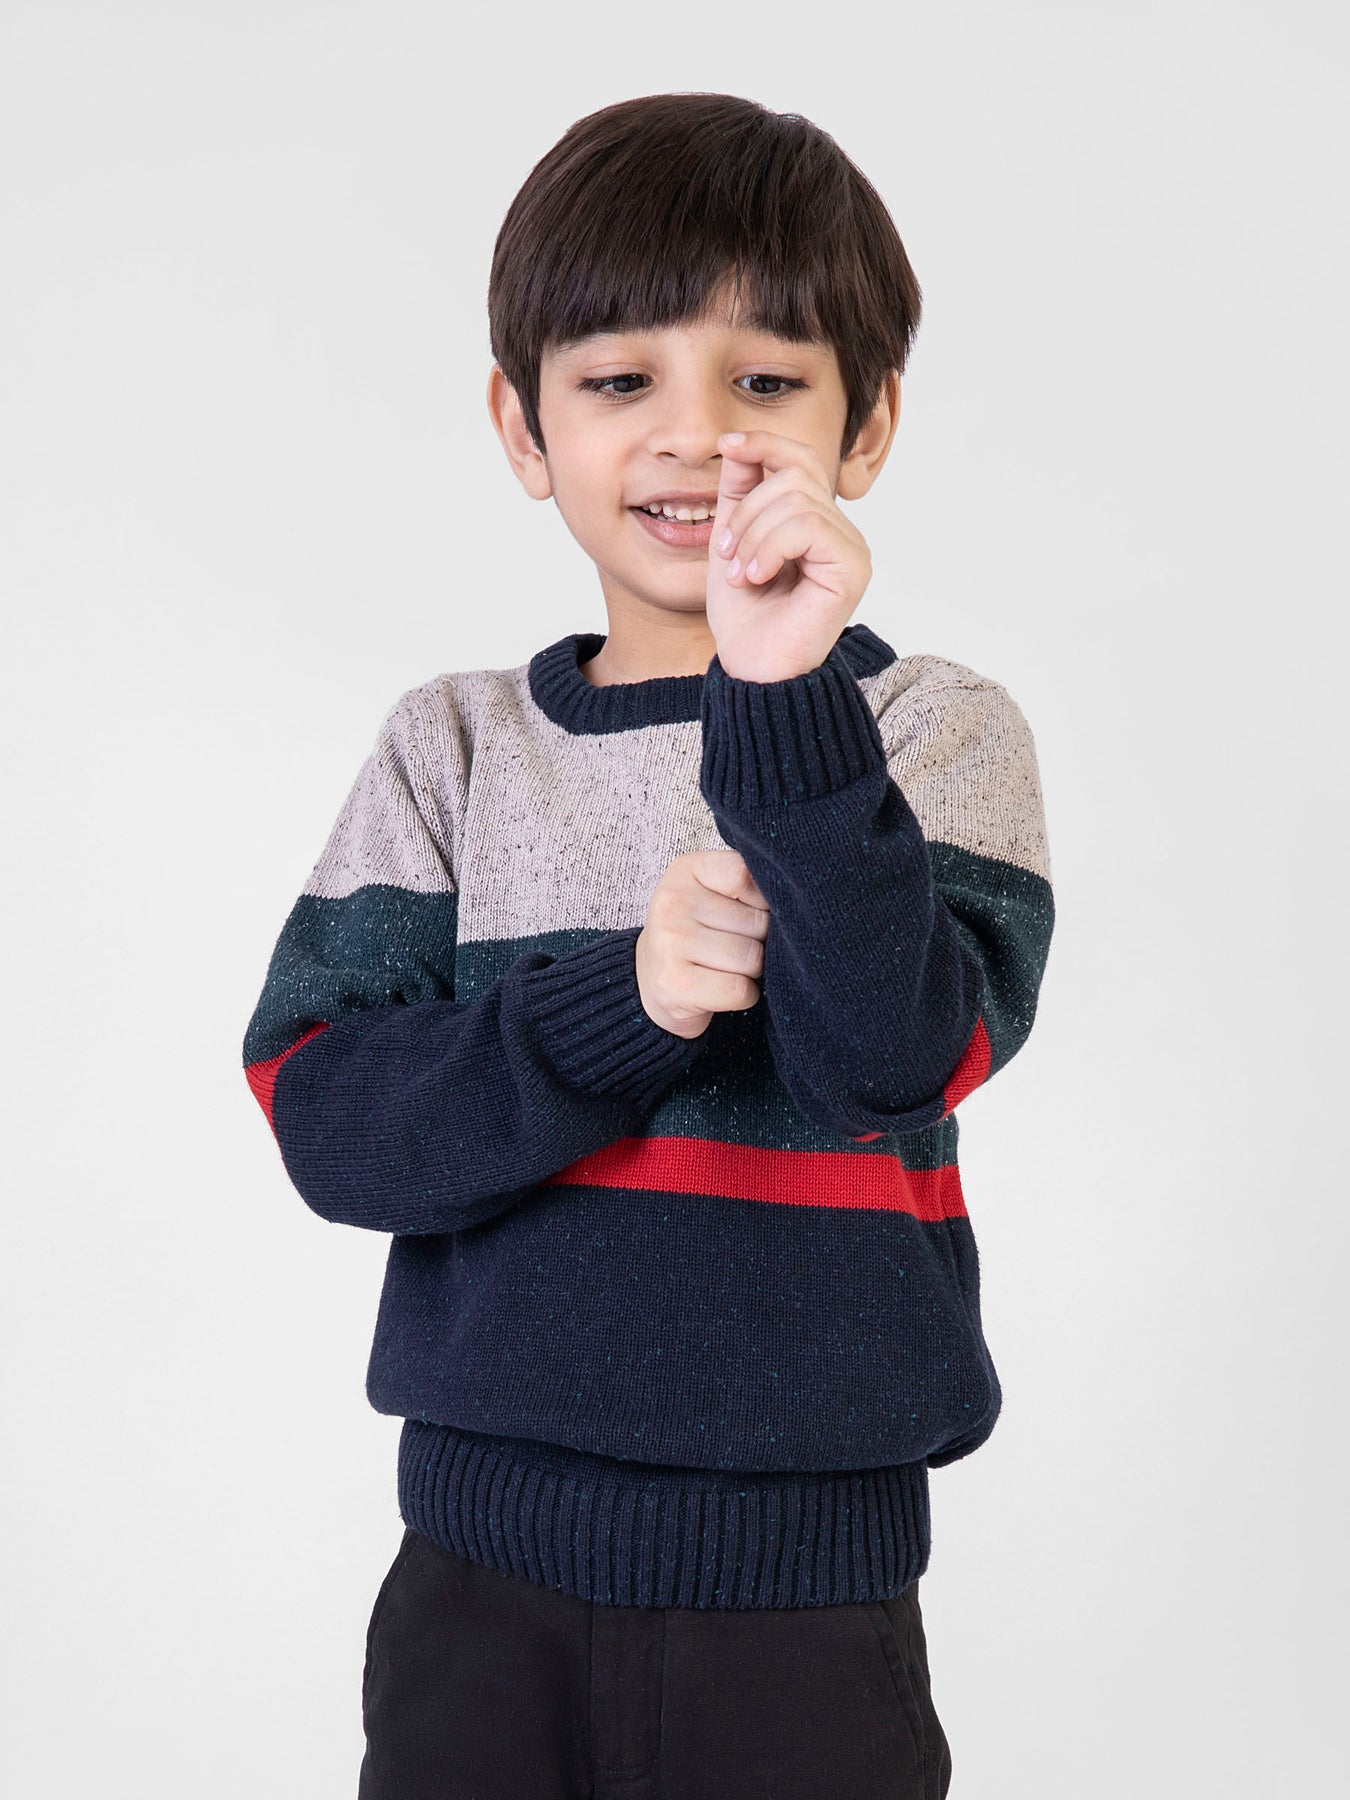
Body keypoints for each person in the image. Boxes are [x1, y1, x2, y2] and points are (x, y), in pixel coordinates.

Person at [242, 91, 1055, 1800]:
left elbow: (889, 1062)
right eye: (620, 382)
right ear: (522, 426)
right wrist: (618, 1005)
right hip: (477, 1587)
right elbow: (332, 1125)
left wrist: (780, 697)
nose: (696, 438)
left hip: (805, 1601)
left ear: (865, 423)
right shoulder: (451, 747)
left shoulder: (929, 732)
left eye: (763, 383)